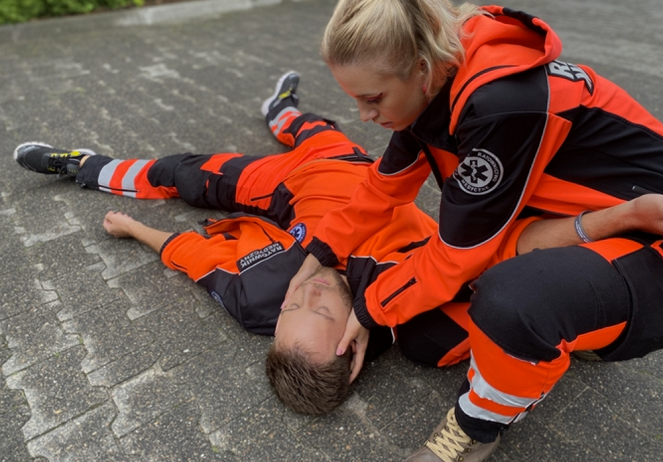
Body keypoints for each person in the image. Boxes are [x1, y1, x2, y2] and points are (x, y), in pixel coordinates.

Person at [14, 75, 663, 430]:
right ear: (351, 357)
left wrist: (131, 230)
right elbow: (516, 284)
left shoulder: (260, 302)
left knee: (210, 167)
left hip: (292, 196)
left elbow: (190, 254)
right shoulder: (424, 327)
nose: (307, 287)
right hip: (365, 180)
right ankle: (273, 112)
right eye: (317, 309)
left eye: (296, 299)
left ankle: (93, 166)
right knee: (218, 162)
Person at [283, 0, 663, 460]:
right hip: (586, 219)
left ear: (420, 69)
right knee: (425, 334)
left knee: (510, 303)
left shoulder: (499, 104)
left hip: (651, 234)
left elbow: (456, 256)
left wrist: (368, 308)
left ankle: (479, 426)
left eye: (372, 98)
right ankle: (571, 320)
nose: (363, 117)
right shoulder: (437, 85)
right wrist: (315, 256)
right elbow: (383, 189)